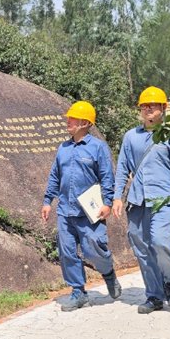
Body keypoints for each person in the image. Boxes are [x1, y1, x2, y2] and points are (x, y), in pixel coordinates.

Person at [113, 86, 170, 314]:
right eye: (144, 106)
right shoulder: (131, 137)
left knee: (160, 242)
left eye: (153, 106)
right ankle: (154, 296)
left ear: (163, 109)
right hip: (137, 201)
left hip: (164, 200)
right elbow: (122, 169)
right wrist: (117, 197)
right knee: (142, 248)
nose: (148, 110)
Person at [41, 100, 123, 312]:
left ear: (85, 122)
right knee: (67, 252)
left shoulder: (98, 147)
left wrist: (107, 203)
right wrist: (48, 201)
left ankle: (108, 273)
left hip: (90, 211)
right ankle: (78, 292)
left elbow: (107, 177)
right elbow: (55, 176)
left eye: (72, 118)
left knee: (93, 248)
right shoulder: (64, 148)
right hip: (65, 210)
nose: (68, 122)